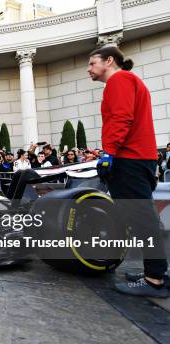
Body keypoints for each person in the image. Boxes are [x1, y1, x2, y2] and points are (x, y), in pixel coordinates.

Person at [88, 45, 168, 297]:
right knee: (143, 216)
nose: (88, 69)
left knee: (141, 218)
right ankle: (155, 271)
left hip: (130, 158)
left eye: (92, 63)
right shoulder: (131, 81)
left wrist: (109, 152)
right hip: (138, 157)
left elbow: (122, 118)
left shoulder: (120, 79)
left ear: (109, 61)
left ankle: (154, 279)